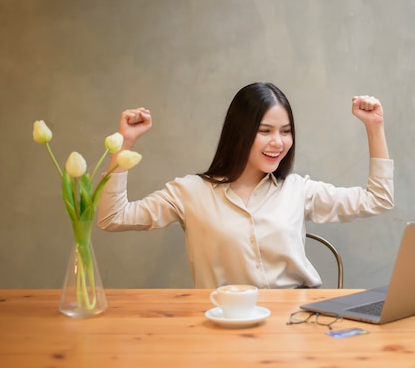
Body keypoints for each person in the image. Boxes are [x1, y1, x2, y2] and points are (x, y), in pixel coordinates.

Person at [97, 82, 394, 288]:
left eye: (286, 131)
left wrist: (374, 127)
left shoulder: (297, 190)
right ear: (239, 134)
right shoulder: (189, 192)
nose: (278, 142)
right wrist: (124, 144)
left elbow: (377, 200)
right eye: (265, 131)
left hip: (298, 320)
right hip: (225, 323)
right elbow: (113, 218)